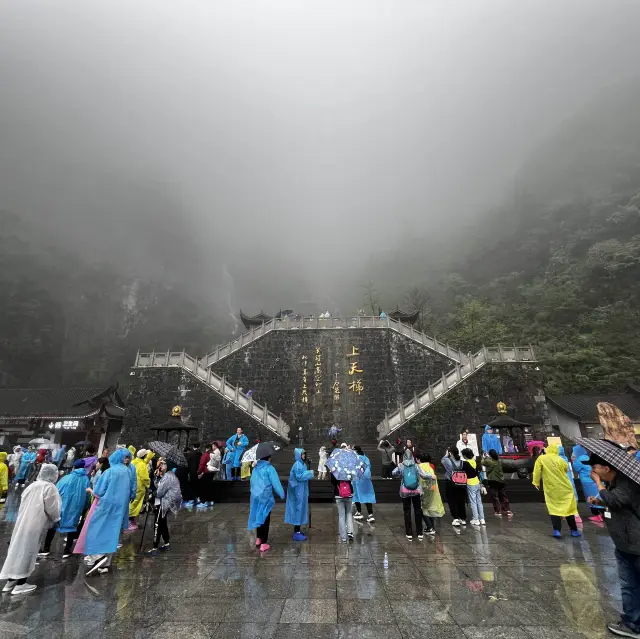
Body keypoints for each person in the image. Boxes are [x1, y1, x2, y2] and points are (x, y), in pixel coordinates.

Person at [585, 452, 640, 638]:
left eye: (595, 469)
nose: (593, 472)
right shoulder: (615, 483)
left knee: (632, 584)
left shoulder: (626, 483)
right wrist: (599, 500)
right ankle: (632, 621)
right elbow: (617, 503)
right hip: (625, 544)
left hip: (636, 543)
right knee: (629, 584)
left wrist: (598, 485)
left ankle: (634, 623)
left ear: (606, 468)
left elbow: (617, 500)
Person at [1, 464, 61, 595]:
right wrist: (56, 519)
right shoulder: (49, 487)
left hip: (22, 523)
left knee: (17, 550)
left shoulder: (32, 485)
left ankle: (10, 581)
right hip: (36, 524)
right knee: (28, 552)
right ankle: (21, 584)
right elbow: (53, 508)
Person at [78, 448, 135, 575]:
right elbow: (132, 490)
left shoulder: (109, 472)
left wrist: (91, 491)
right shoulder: (128, 471)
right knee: (113, 533)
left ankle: (97, 556)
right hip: (120, 509)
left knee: (98, 530)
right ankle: (106, 564)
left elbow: (99, 492)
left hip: (105, 507)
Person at [39, 459, 89, 558]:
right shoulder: (86, 480)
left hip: (61, 506)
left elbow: (56, 490)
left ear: (74, 467)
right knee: (72, 527)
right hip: (76, 508)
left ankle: (46, 549)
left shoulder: (66, 478)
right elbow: (87, 496)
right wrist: (85, 507)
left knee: (53, 525)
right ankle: (66, 551)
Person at [532, 443, 581, 538]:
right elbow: (566, 470)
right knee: (569, 510)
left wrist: (536, 482)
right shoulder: (561, 460)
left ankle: (557, 530)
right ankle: (574, 530)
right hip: (565, 488)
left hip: (552, 488)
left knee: (554, 509)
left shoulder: (542, 458)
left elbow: (537, 471)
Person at [248, 455, 285, 552]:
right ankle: (264, 543)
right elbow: (276, 483)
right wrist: (282, 494)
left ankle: (258, 538)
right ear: (268, 458)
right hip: (265, 497)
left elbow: (252, 481)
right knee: (265, 518)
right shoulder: (270, 468)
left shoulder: (256, 467)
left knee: (258, 516)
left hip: (256, 497)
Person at [147, 458, 182, 556]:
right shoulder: (168, 475)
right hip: (164, 503)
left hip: (163, 503)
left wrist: (152, 493)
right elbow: (159, 486)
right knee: (163, 523)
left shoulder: (168, 477)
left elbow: (159, 492)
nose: (161, 466)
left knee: (157, 524)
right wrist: (157, 477)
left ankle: (154, 547)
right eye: (161, 464)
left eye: (163, 464)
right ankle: (167, 542)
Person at [393, 449, 430, 540]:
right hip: (416, 490)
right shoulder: (416, 466)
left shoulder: (401, 466)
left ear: (404, 456)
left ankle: (409, 533)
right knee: (417, 510)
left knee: (407, 511)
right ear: (412, 457)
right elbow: (424, 475)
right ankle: (419, 532)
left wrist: (400, 475)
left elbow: (393, 473)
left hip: (405, 491)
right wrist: (431, 476)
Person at [284, 448, 315, 541]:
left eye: (304, 454)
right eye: (302, 454)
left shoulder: (302, 464)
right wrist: (310, 473)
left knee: (300, 509)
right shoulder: (297, 464)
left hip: (301, 490)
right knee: (298, 509)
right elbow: (299, 476)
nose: (304, 456)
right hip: (297, 491)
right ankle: (296, 531)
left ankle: (297, 529)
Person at [573, 444, 605, 523]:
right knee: (599, 497)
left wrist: (574, 461)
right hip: (595, 480)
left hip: (587, 482)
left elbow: (576, 468)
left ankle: (597, 515)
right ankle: (603, 514)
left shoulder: (579, 459)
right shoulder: (589, 457)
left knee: (590, 498)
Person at [416, 451, 444, 534]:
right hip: (432, 489)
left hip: (423, 490)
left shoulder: (419, 467)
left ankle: (430, 527)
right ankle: (432, 527)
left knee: (422, 508)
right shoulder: (430, 467)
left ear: (419, 459)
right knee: (430, 508)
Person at [441, 446, 468, 526]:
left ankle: (456, 518)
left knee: (452, 500)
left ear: (450, 453)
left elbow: (442, 460)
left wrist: (446, 454)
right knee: (461, 501)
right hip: (462, 484)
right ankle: (462, 518)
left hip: (451, 483)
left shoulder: (447, 461)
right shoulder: (462, 462)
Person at [483, 449, 512, 517]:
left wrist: (485, 457)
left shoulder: (489, 461)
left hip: (493, 481)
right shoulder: (499, 461)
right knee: (503, 496)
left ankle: (498, 511)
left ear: (490, 455)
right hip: (501, 481)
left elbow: (482, 462)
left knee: (495, 497)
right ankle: (507, 510)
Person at [128, 448, 152, 530]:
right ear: (144, 456)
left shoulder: (133, 462)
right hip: (139, 487)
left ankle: (131, 521)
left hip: (131, 486)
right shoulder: (142, 465)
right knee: (134, 505)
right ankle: (129, 522)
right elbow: (145, 478)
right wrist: (148, 485)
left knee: (131, 503)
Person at [462, 448, 486, 526]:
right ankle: (482, 519)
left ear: (465, 455)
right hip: (477, 482)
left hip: (470, 483)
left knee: (473, 502)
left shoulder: (465, 463)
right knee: (479, 501)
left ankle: (476, 519)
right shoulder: (474, 461)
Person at [353, 446, 376, 523]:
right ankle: (370, 514)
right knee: (368, 495)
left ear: (355, 450)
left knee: (356, 495)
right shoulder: (366, 458)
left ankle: (359, 512)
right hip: (366, 480)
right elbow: (367, 468)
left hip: (357, 479)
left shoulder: (355, 458)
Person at [330, 473, 354, 543]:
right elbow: (351, 479)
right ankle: (350, 532)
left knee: (341, 515)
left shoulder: (335, 469)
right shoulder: (349, 468)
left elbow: (333, 483)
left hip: (339, 494)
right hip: (349, 493)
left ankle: (343, 537)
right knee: (349, 513)